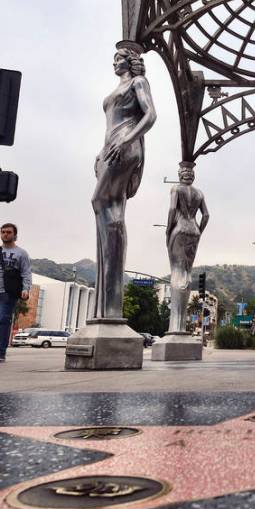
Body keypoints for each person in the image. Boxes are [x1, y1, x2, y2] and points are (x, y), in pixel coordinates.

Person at [92, 43, 156, 319]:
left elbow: (151, 115)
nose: (115, 62)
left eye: (119, 58)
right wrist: (100, 151)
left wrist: (127, 140)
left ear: (131, 62)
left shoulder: (139, 82)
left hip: (124, 144)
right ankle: (109, 297)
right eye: (114, 58)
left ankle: (111, 299)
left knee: (102, 202)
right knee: (110, 207)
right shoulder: (120, 87)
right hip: (111, 146)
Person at [166, 162, 209, 334]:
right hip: (194, 230)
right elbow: (206, 215)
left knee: (177, 271)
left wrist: (169, 230)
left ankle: (175, 326)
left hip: (180, 229)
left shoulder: (176, 189)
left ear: (179, 175)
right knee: (187, 273)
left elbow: (171, 209)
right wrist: (199, 229)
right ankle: (181, 325)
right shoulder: (199, 193)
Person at [0, 223, 32, 362]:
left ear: (15, 235)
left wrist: (26, 288)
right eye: (3, 232)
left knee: (3, 320)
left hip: (7, 292)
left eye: (8, 232)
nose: (5, 234)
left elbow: (26, 273)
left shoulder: (21, 253)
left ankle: (0, 353)